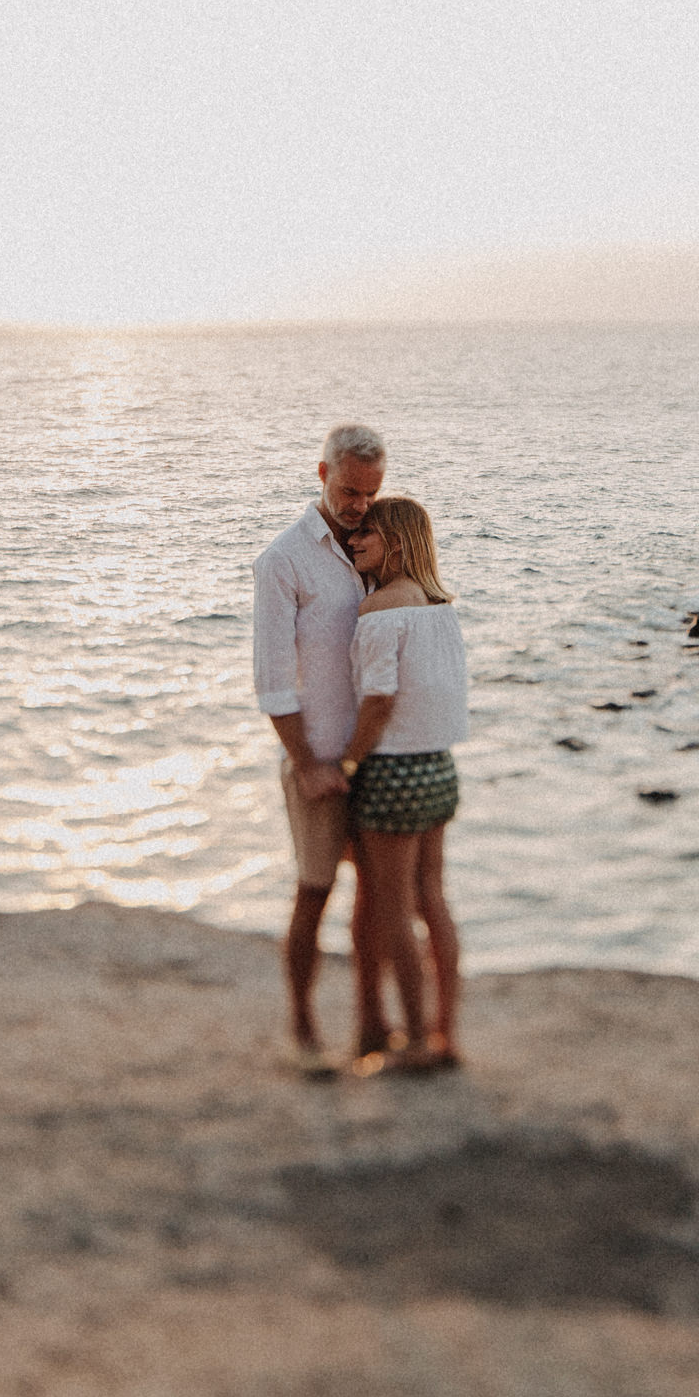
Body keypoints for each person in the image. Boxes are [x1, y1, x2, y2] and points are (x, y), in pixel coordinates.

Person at [251, 421, 386, 1076]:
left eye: (370, 490)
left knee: (378, 898)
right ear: (321, 473)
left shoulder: (378, 546)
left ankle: (371, 1025)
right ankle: (302, 1027)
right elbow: (272, 680)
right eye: (348, 488)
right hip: (317, 758)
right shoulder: (284, 560)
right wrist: (306, 762)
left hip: (375, 756)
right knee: (314, 889)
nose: (358, 502)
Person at [340, 496, 468, 1075]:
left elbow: (380, 699)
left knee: (392, 911)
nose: (353, 541)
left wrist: (347, 763)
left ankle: (414, 1042)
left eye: (367, 533)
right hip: (439, 767)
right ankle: (446, 1033)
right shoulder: (440, 608)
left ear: (396, 541)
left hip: (392, 770)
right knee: (432, 900)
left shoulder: (379, 613)